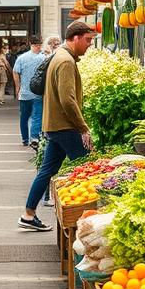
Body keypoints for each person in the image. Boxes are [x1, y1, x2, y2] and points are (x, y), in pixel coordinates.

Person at [19, 21, 96, 231]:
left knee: (46, 171)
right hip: (65, 127)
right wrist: (83, 128)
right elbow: (67, 100)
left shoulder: (60, 56)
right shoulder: (65, 62)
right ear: (76, 37)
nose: (89, 45)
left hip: (54, 125)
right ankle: (84, 221)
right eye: (88, 40)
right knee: (88, 169)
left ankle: (28, 214)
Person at [13, 39, 46, 148]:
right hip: (38, 93)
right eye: (39, 45)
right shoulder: (44, 58)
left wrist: (18, 87)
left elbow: (15, 72)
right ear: (38, 45)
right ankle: (34, 138)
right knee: (37, 116)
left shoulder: (21, 58)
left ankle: (25, 139)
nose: (39, 47)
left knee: (24, 117)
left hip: (25, 93)